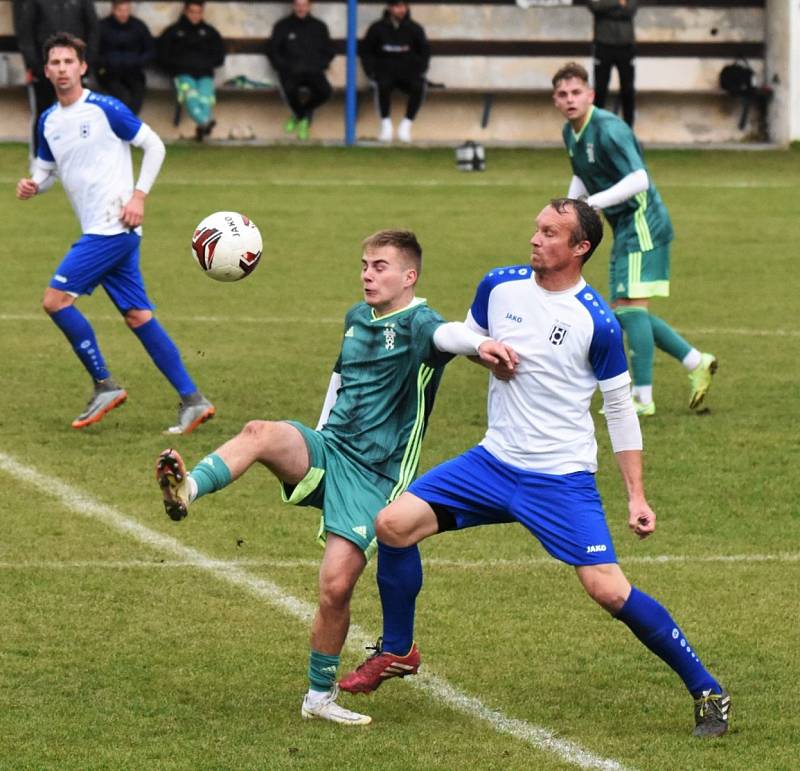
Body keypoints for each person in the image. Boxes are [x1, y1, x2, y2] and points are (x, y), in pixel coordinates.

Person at [339, 199, 730, 739]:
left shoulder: (598, 322)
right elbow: (473, 342)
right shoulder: (499, 286)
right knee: (393, 524)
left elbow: (618, 410)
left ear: (580, 248)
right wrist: (486, 353)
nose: (536, 239)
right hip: (492, 462)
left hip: (559, 479)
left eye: (551, 233)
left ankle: (707, 689)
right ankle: (399, 648)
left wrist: (636, 496)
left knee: (607, 589)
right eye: (537, 228)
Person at [155, 229, 516, 726]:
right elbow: (340, 378)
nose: (368, 274)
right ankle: (187, 488)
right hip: (330, 448)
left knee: (334, 588)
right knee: (261, 432)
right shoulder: (355, 318)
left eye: (380, 266)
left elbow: (448, 334)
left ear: (409, 276)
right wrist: (319, 435)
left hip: (375, 478)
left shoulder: (418, 323)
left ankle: (318, 698)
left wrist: (482, 343)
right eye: (365, 264)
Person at [15, 32, 214, 435]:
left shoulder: (106, 108)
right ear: (46, 70)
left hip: (113, 227)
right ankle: (194, 400)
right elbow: (46, 171)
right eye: (55, 63)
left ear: (83, 67)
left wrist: (138, 196)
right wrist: (34, 185)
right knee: (138, 316)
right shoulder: (48, 121)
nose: (62, 69)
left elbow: (154, 145)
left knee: (55, 301)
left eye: (69, 62)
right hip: (104, 231)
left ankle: (105, 384)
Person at [551, 62, 717, 416]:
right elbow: (582, 176)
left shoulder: (610, 129)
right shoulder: (570, 133)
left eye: (576, 92)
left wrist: (592, 204)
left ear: (590, 95)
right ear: (555, 99)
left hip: (643, 223)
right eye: (563, 94)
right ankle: (695, 361)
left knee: (629, 312)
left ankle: (642, 398)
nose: (570, 99)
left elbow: (639, 179)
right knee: (626, 312)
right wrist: (568, 209)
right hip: (624, 226)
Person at [14, 0, 99, 157]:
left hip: (75, 71)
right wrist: (37, 66)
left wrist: (85, 64)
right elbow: (26, 33)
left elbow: (93, 29)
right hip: (44, 71)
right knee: (43, 115)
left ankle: (78, 159)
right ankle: (39, 163)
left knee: (79, 115)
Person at [359, 0, 430, 144]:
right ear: (389, 8)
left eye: (403, 6)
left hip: (409, 73)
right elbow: (366, 52)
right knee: (382, 85)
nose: (401, 10)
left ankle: (406, 125)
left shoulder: (415, 29)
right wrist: (371, 72)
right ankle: (386, 125)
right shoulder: (377, 28)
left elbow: (425, 52)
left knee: (419, 85)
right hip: (384, 72)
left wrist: (420, 70)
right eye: (397, 6)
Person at [267, 0, 335, 141]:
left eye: (304, 5)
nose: (301, 8)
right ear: (293, 6)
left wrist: (319, 65)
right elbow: (273, 51)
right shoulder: (282, 26)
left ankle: (299, 115)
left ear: (310, 6)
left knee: (326, 92)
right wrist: (283, 66)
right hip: (290, 71)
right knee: (289, 89)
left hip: (313, 71)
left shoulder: (319, 26)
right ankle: (304, 120)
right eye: (298, 5)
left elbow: (329, 51)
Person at [157, 1, 226, 141]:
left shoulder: (209, 32)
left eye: (198, 12)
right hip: (183, 74)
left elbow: (219, 56)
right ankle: (205, 122)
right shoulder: (173, 32)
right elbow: (161, 55)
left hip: (205, 75)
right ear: (185, 12)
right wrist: (176, 67)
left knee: (205, 100)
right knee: (191, 96)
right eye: (192, 12)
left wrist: (205, 64)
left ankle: (202, 126)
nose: (195, 15)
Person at [96, 1, 156, 115]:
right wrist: (109, 61)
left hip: (133, 70)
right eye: (120, 10)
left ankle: (129, 126)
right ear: (113, 10)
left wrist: (137, 61)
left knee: (137, 95)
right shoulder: (102, 27)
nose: (123, 14)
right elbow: (94, 52)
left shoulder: (139, 26)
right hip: (109, 72)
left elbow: (151, 51)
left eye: (126, 10)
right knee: (123, 97)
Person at [589, 0, 637, 127]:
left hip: (626, 47)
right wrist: (618, 2)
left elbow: (630, 10)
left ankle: (628, 129)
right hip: (603, 45)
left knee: (628, 90)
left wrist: (606, 9)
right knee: (600, 90)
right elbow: (595, 7)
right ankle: (596, 129)